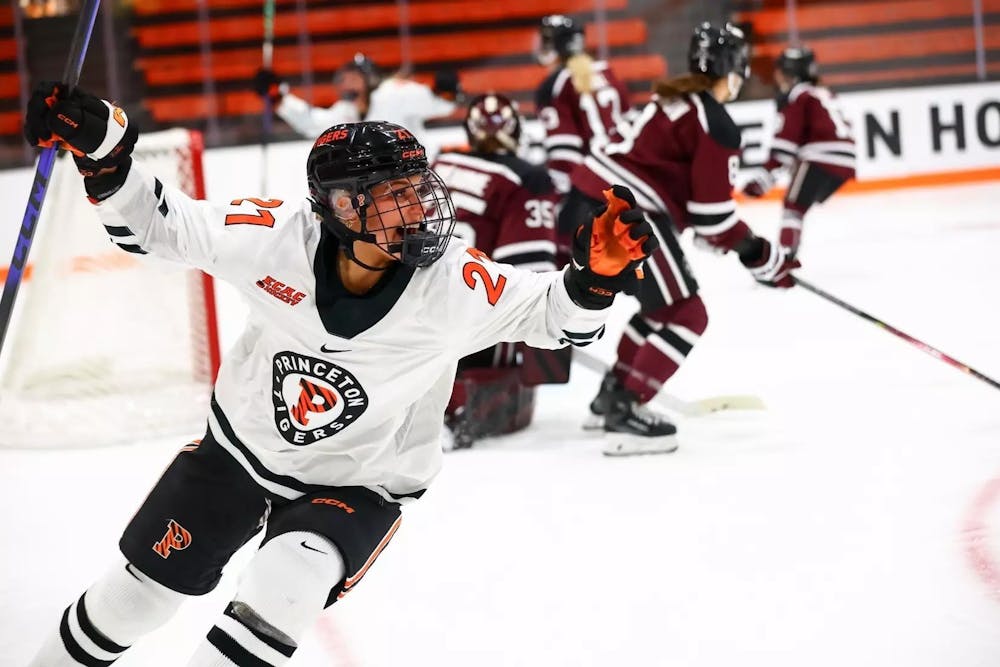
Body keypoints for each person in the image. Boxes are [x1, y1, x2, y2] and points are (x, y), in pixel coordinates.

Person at [22, 80, 656, 665]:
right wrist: (106, 154)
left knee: (286, 584)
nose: (420, 208)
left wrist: (593, 281)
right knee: (134, 600)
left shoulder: (453, 286)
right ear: (344, 206)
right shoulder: (274, 236)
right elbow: (157, 227)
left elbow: (554, 316)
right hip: (238, 453)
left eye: (419, 188)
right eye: (396, 194)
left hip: (360, 482)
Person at [564, 22, 800, 456]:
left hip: (583, 203)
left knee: (660, 308)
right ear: (734, 71)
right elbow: (713, 219)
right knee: (688, 314)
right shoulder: (716, 122)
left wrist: (727, 238)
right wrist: (760, 254)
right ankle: (626, 409)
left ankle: (612, 396)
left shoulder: (669, 97)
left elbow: (692, 204)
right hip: (626, 216)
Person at [431, 93, 562, 448]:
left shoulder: (442, 164)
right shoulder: (528, 180)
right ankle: (453, 411)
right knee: (515, 305)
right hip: (470, 319)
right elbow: (528, 276)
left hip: (408, 303)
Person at [533, 14, 631, 263]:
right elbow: (630, 123)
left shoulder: (555, 84)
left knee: (564, 253)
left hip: (592, 183)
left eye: (546, 40)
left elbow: (564, 150)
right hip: (629, 174)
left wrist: (558, 198)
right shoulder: (606, 71)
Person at [741, 46, 856, 258]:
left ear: (790, 73)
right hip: (846, 163)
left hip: (821, 157)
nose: (776, 76)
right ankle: (786, 254)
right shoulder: (823, 93)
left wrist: (761, 182)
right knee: (798, 202)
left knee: (793, 207)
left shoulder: (798, 96)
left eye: (780, 71)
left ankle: (784, 258)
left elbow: (785, 146)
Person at [256, 52, 460, 148]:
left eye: (354, 78)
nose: (347, 84)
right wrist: (279, 98)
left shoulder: (394, 93)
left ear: (369, 79)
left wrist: (446, 90)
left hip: (419, 175)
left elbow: (439, 104)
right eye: (345, 79)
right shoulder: (346, 110)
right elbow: (312, 123)